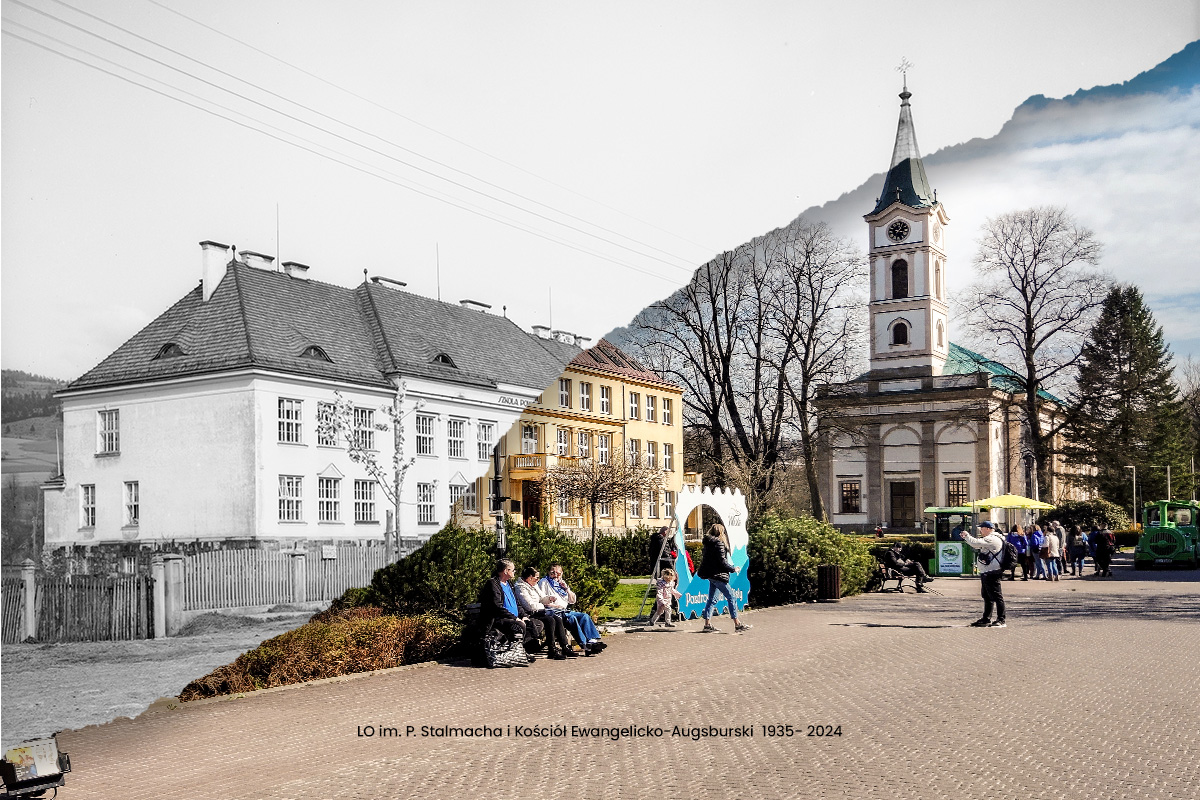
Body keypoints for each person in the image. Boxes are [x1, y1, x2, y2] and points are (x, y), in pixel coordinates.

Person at [539, 564, 607, 655]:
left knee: (584, 616)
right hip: (554, 611)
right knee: (572, 619)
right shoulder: (544, 582)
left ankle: (592, 641)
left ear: (562, 573)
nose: (555, 575)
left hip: (565, 610)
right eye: (552, 573)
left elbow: (572, 601)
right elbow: (541, 599)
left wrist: (567, 589)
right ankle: (585, 645)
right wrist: (555, 605)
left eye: (558, 573)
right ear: (548, 572)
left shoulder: (561, 583)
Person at [698, 523, 751, 633]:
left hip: (710, 574)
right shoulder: (719, 544)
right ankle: (737, 624)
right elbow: (722, 561)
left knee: (712, 599)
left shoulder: (708, 544)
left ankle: (707, 625)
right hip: (718, 575)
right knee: (731, 597)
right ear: (721, 533)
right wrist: (733, 569)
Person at [514, 567, 576, 660]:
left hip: (538, 611)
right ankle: (552, 649)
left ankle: (565, 646)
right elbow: (529, 605)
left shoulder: (533, 585)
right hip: (529, 613)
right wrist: (543, 606)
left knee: (557, 618)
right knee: (550, 620)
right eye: (536, 578)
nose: (538, 580)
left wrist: (549, 598)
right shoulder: (520, 587)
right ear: (530, 578)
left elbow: (542, 597)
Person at [477, 559, 532, 656]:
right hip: (500, 619)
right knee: (520, 625)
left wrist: (523, 615)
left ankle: (518, 649)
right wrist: (515, 618)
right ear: (506, 571)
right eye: (513, 570)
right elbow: (497, 606)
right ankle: (519, 651)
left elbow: (517, 603)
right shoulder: (493, 584)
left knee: (533, 624)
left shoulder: (509, 584)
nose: (514, 572)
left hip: (513, 617)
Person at [960, 520, 1006, 628]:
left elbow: (975, 543)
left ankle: (1001, 619)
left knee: (997, 596)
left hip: (992, 571)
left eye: (982, 528)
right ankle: (986, 619)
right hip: (987, 571)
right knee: (987, 596)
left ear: (989, 529)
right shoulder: (994, 538)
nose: (980, 530)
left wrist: (967, 536)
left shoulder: (992, 538)